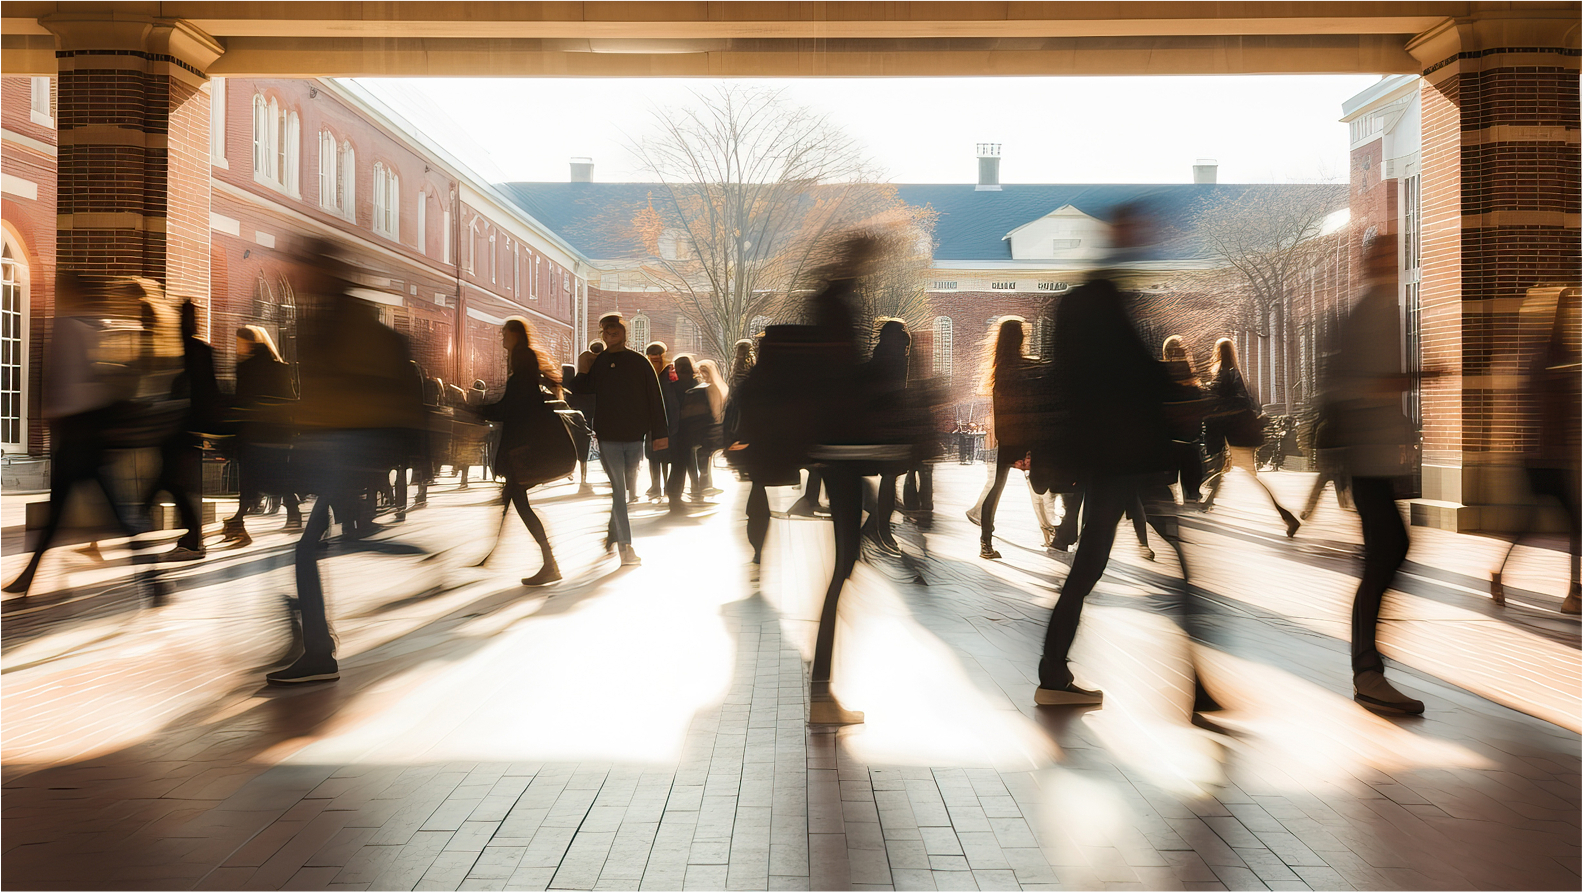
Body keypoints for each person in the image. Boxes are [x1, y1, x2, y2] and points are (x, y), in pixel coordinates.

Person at [1034, 203, 1175, 706]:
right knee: (1096, 560)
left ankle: (1054, 670)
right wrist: (1174, 380)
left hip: (1106, 451)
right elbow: (1125, 375)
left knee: (1092, 560)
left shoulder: (1085, 299)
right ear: (1122, 232)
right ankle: (1052, 671)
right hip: (1121, 451)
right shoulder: (1105, 300)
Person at [269, 242, 426, 684]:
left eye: (304, 270)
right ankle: (421, 559)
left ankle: (319, 651)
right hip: (339, 445)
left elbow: (360, 391)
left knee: (310, 548)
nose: (298, 280)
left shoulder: (349, 321)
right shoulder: (325, 317)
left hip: (354, 447)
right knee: (337, 541)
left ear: (324, 272)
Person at [1318, 234, 1429, 714]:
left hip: (1372, 456)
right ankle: (1367, 671)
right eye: (1380, 254)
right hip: (1367, 457)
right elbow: (1360, 385)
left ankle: (1368, 667)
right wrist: (1417, 379)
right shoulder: (1373, 312)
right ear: (1368, 261)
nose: (1387, 260)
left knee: (1386, 554)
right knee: (1387, 553)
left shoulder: (1378, 309)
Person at [569, 314, 669, 565]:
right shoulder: (600, 362)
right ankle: (626, 546)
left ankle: (614, 534)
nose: (610, 334)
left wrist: (660, 434)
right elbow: (582, 392)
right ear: (602, 335)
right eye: (605, 331)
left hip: (635, 437)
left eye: (614, 330)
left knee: (624, 490)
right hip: (609, 436)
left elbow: (655, 397)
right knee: (618, 490)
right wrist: (583, 368)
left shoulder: (639, 362)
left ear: (624, 333)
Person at [477, 318, 562, 586]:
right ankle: (543, 562)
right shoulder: (524, 371)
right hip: (522, 448)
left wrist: (476, 409)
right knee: (515, 501)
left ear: (515, 334)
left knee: (521, 504)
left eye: (504, 332)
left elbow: (509, 410)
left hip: (521, 450)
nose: (501, 336)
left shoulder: (521, 374)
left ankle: (550, 564)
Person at [1200, 337, 1301, 537]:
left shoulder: (1226, 374)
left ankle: (1287, 516)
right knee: (1230, 470)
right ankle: (1208, 500)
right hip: (1241, 434)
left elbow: (1227, 402)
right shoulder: (1234, 373)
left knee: (1244, 474)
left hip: (1237, 435)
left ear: (1218, 353)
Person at [146, 301, 222, 561]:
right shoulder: (203, 350)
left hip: (178, 425)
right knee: (177, 483)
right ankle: (192, 540)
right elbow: (212, 392)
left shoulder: (182, 350)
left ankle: (191, 541)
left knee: (172, 482)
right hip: (191, 427)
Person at [220, 325, 298, 547]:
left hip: (255, 433)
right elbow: (290, 400)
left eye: (239, 343)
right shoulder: (280, 367)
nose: (238, 348)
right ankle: (242, 518)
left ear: (249, 343)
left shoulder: (246, 368)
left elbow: (241, 401)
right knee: (272, 477)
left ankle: (240, 520)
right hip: (278, 434)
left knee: (257, 478)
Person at [975, 317, 1036, 560]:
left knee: (996, 487)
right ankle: (1059, 532)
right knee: (1048, 483)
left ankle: (985, 542)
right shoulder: (1024, 367)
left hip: (1009, 437)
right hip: (1026, 436)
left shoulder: (999, 369)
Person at [666, 355, 721, 512]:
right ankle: (697, 491)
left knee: (679, 465)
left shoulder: (670, 387)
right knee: (694, 463)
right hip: (695, 430)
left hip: (677, 431)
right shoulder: (699, 385)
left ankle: (675, 497)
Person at [643, 342, 681, 501]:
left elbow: (673, 400)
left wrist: (673, 422)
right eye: (652, 360)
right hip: (651, 421)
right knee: (652, 456)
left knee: (665, 455)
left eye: (658, 359)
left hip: (668, 421)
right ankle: (655, 485)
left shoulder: (670, 375)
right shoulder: (646, 374)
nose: (655, 363)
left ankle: (666, 485)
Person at [694, 358, 729, 496]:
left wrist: (715, 423)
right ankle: (704, 484)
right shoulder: (712, 386)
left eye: (704, 372)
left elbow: (716, 410)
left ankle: (705, 484)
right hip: (711, 426)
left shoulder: (712, 387)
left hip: (711, 427)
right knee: (704, 455)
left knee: (704, 454)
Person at [562, 363, 596, 494]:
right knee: (585, 452)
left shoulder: (571, 385)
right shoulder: (594, 381)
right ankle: (583, 478)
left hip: (574, 421)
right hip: (589, 419)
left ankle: (575, 473)